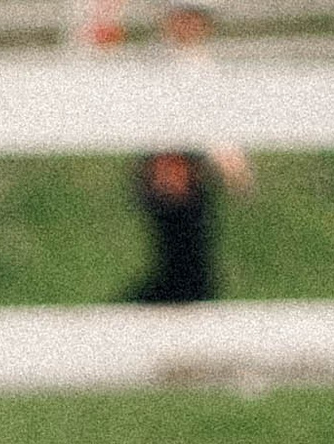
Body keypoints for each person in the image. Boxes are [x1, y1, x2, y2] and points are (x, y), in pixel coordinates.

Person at [127, 3, 254, 306]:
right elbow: (205, 121)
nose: (189, 26)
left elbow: (212, 120)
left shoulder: (192, 63)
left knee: (185, 260)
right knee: (186, 262)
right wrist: (232, 164)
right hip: (173, 170)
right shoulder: (173, 63)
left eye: (195, 19)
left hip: (186, 170)